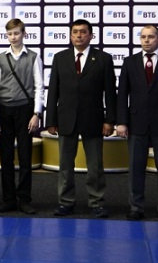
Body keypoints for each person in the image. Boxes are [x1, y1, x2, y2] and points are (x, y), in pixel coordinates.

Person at [45, 19, 117, 218]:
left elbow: (110, 92)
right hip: (65, 119)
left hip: (93, 119)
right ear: (70, 36)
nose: (79, 35)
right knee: (65, 165)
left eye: (83, 32)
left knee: (95, 166)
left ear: (91, 35)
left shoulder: (103, 59)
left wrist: (110, 120)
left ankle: (96, 202)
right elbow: (53, 91)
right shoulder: (60, 58)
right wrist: (51, 120)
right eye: (75, 32)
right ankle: (65, 202)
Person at [116, 25, 158, 221]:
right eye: (143, 37)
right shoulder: (130, 62)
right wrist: (121, 122)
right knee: (135, 169)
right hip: (136, 123)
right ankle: (136, 207)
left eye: (151, 37)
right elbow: (122, 94)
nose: (146, 40)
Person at [0, 18, 43, 214]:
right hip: (4, 111)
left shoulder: (33, 57)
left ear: (24, 34)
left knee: (25, 157)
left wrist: (36, 113)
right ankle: (8, 200)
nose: (13, 37)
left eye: (16, 33)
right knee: (5, 157)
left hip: (25, 111)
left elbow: (39, 87)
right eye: (10, 34)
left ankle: (24, 200)